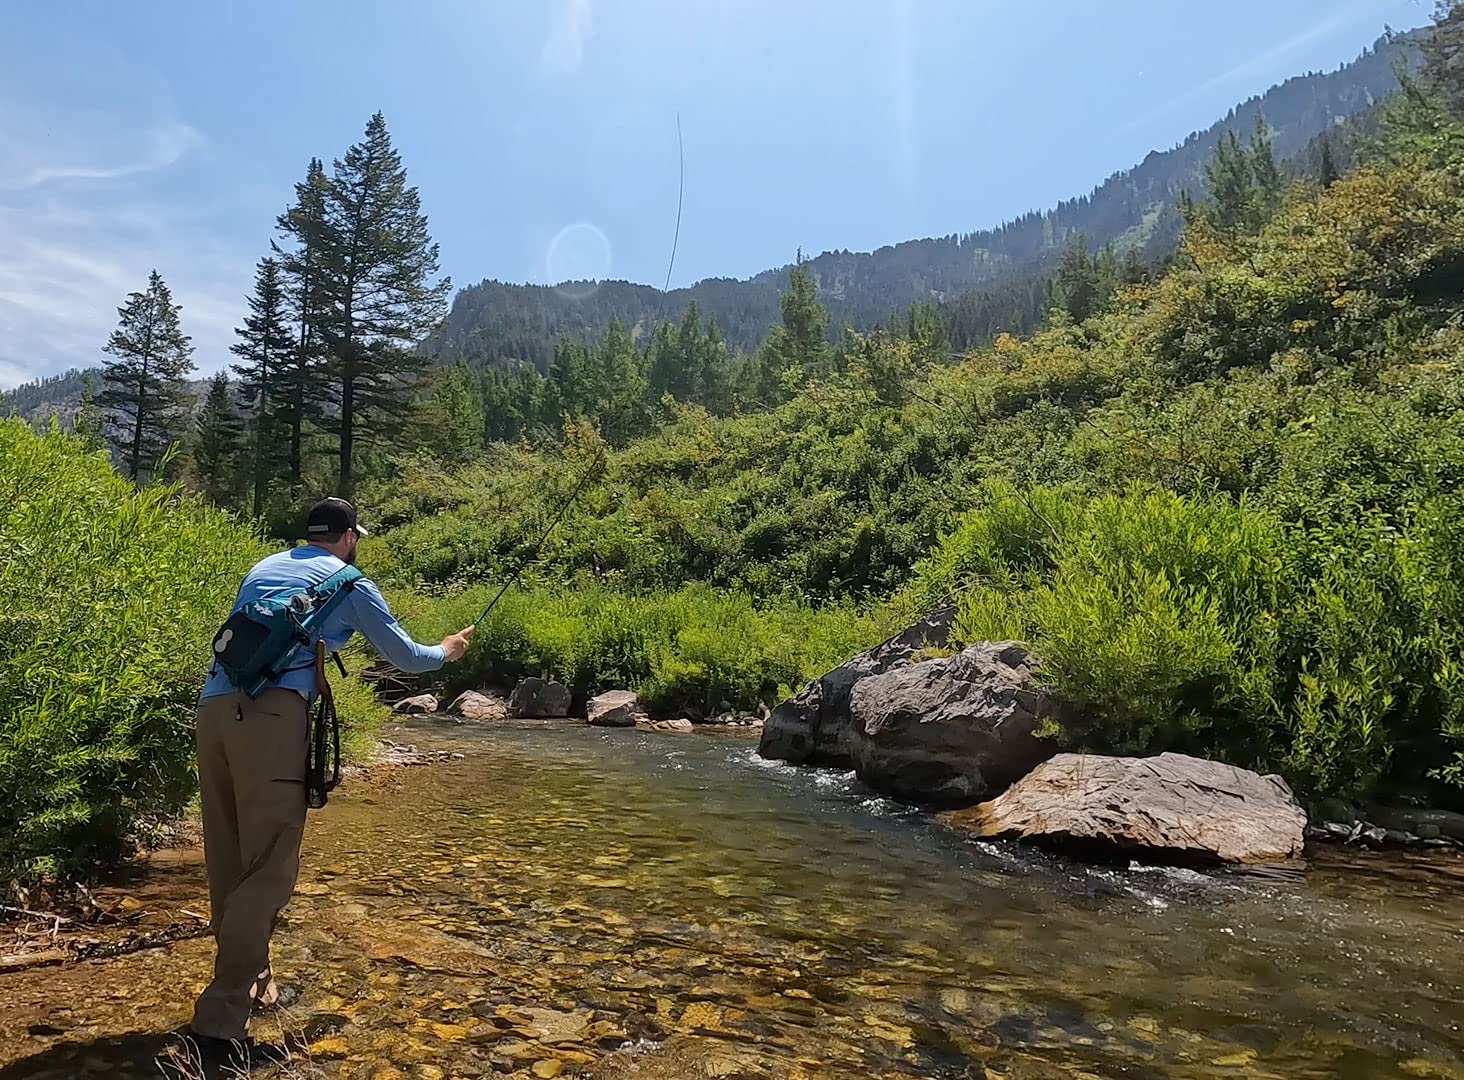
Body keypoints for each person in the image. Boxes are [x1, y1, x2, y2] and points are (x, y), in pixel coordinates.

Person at [188, 497, 473, 1061]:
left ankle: (253, 982)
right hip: (269, 719)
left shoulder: (263, 567)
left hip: (213, 712)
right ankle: (218, 1030)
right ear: (347, 537)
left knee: (229, 855)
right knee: (270, 864)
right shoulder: (348, 581)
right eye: (356, 537)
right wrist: (448, 649)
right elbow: (407, 656)